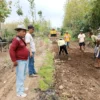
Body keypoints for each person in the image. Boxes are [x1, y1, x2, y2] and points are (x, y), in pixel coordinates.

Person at [9, 25, 29, 97]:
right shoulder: (16, 40)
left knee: (23, 75)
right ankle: (19, 92)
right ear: (18, 32)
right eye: (23, 31)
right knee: (20, 76)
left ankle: (22, 88)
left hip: (24, 60)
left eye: (25, 32)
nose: (24, 33)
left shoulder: (21, 39)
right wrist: (14, 60)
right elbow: (11, 50)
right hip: (20, 61)